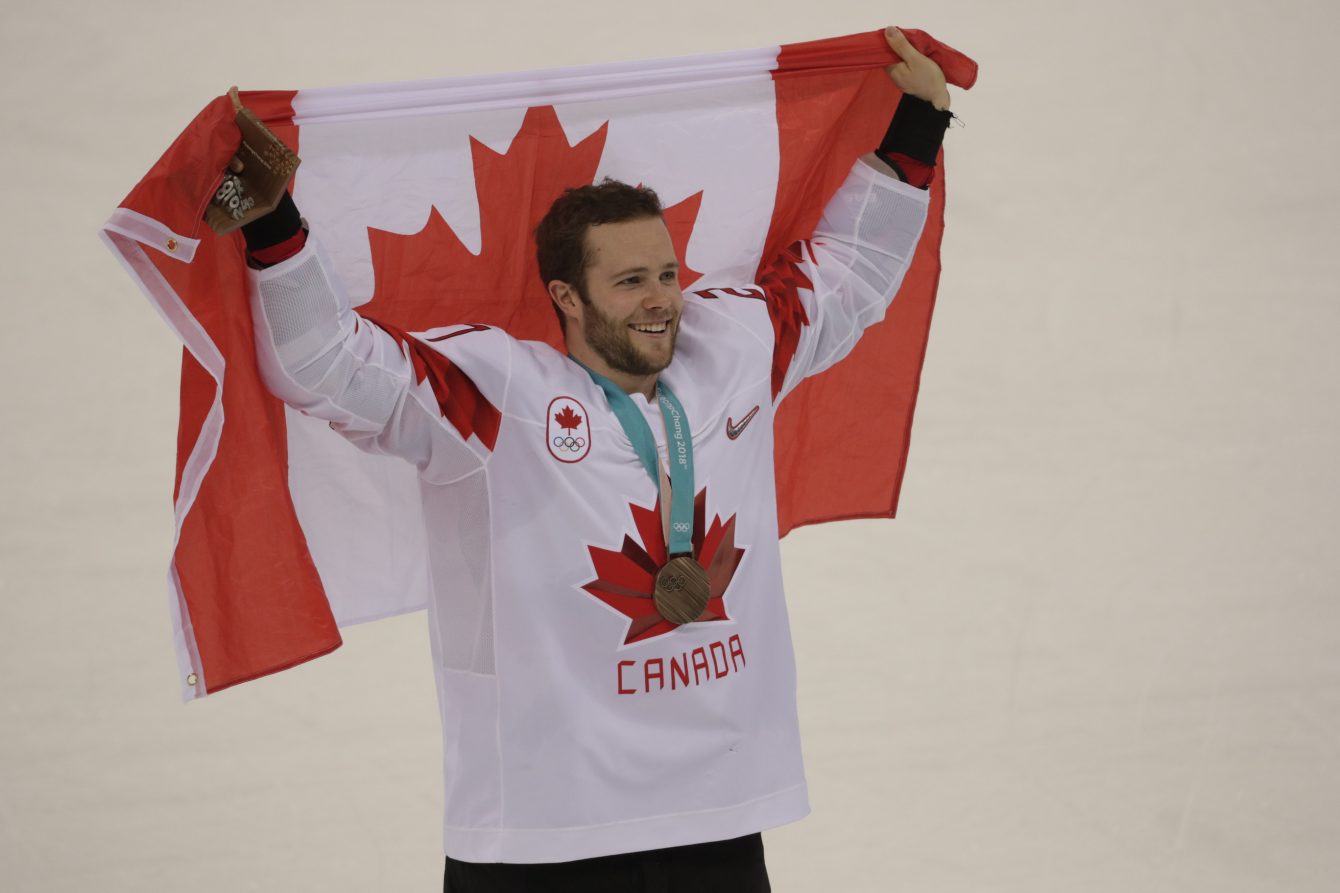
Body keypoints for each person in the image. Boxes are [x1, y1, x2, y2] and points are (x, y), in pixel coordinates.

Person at [228, 26, 954, 893]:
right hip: (539, 836)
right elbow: (331, 364)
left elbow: (851, 277)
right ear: (567, 297)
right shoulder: (495, 396)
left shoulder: (736, 348)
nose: (661, 301)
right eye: (630, 282)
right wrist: (272, 218)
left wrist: (920, 124)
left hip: (716, 814)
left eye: (667, 273)